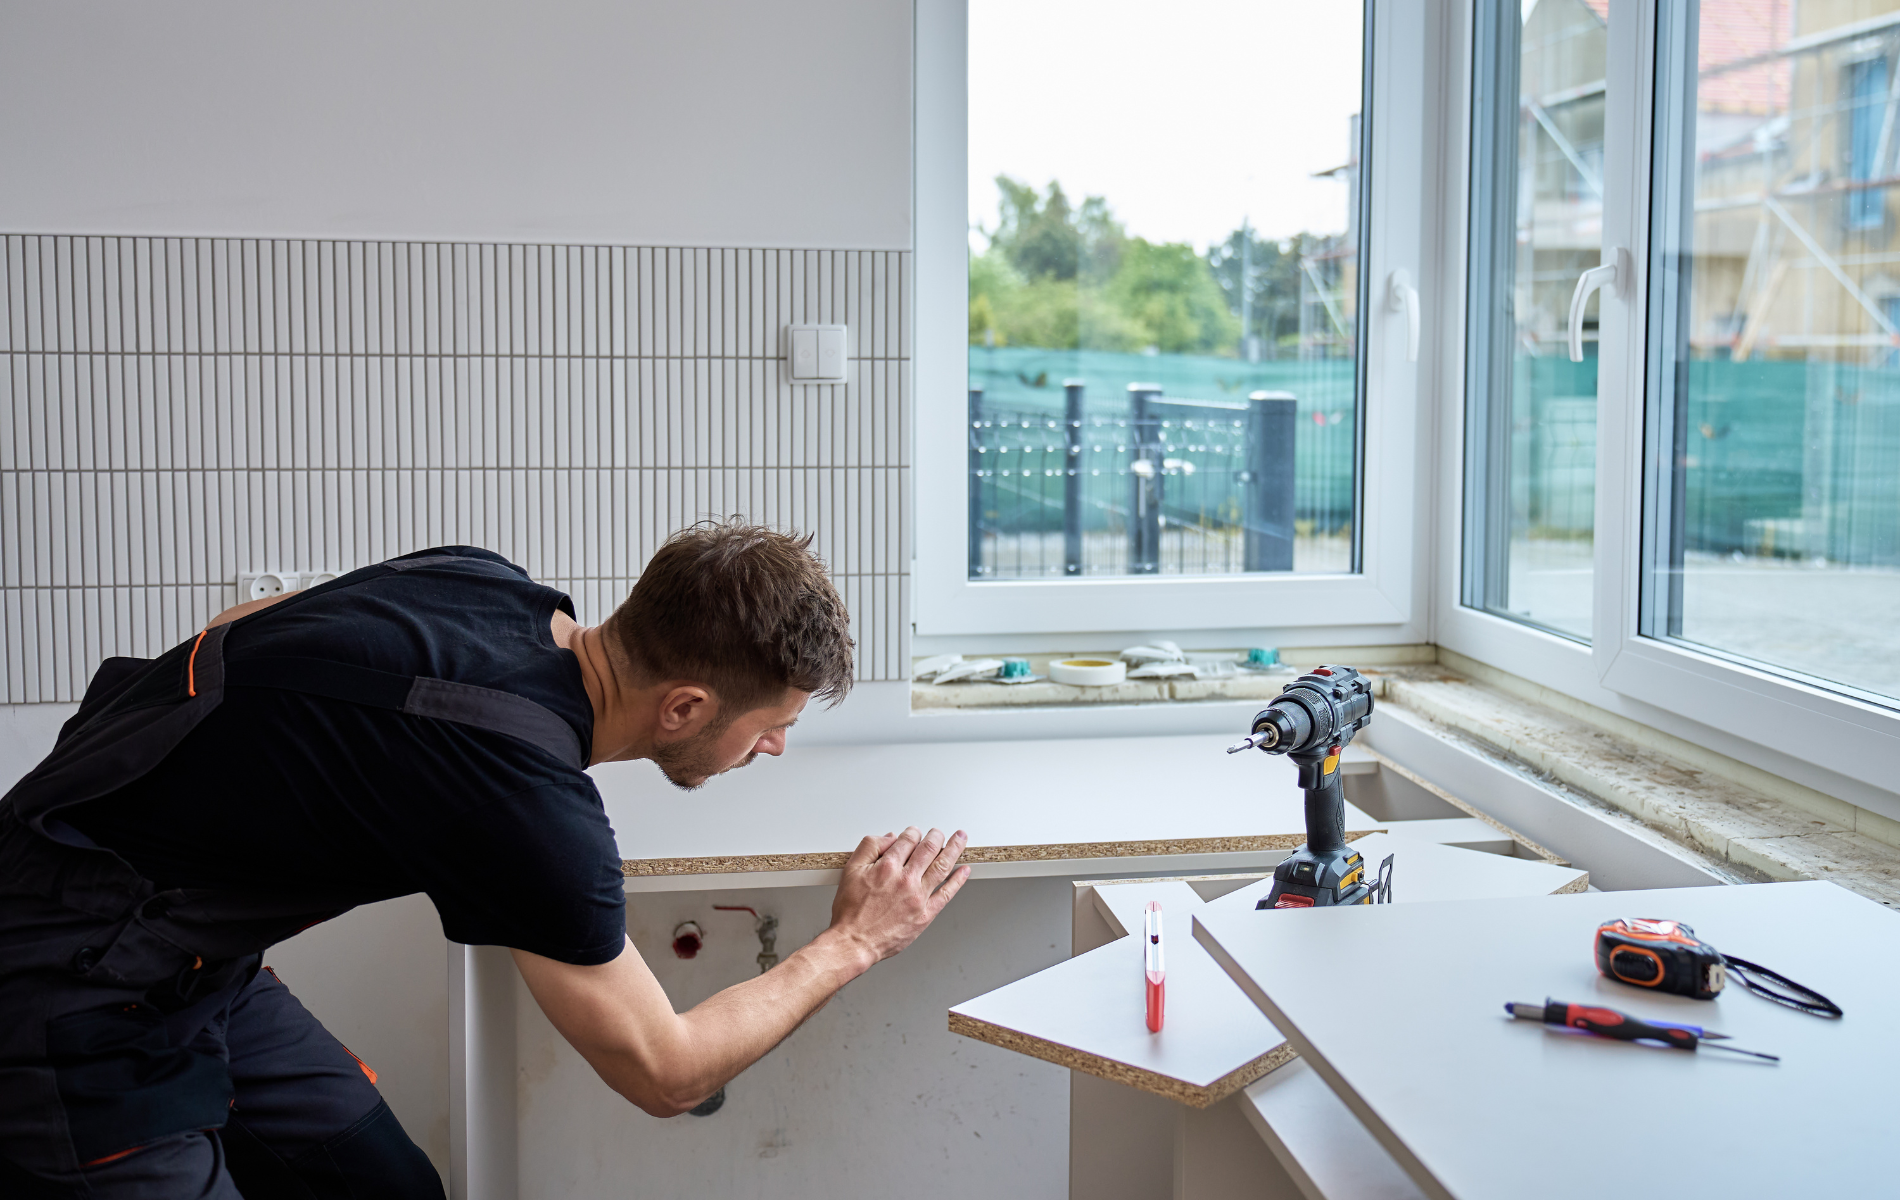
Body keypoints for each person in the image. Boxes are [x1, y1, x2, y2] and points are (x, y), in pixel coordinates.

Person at [0, 521, 969, 1198]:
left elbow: (242, 624)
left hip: (191, 962)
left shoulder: (483, 580)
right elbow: (664, 1074)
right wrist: (856, 941)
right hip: (66, 992)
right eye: (771, 727)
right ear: (683, 707)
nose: (775, 751)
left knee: (378, 1186)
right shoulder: (528, 804)